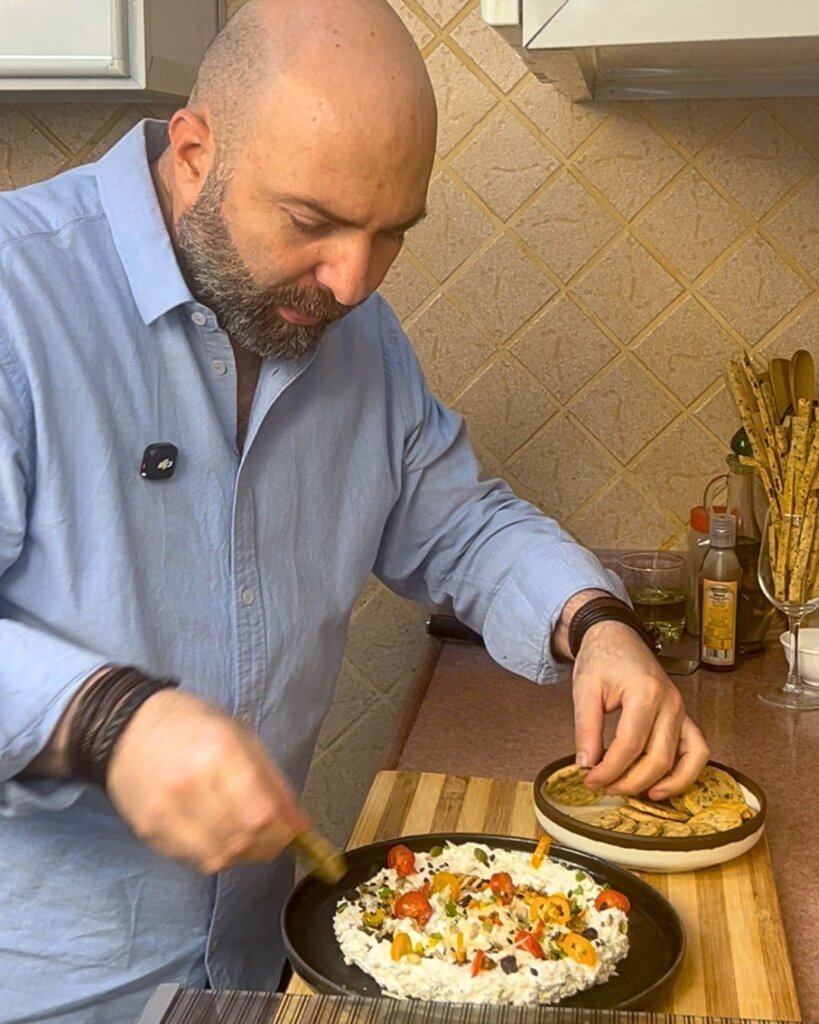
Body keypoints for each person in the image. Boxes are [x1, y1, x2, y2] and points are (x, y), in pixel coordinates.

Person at [0, 0, 709, 1020]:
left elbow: (461, 520)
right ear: (194, 152)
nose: (351, 281)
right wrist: (110, 718)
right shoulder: (19, 295)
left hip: (250, 967)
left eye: (390, 236)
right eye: (312, 223)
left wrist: (594, 625)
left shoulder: (358, 338)